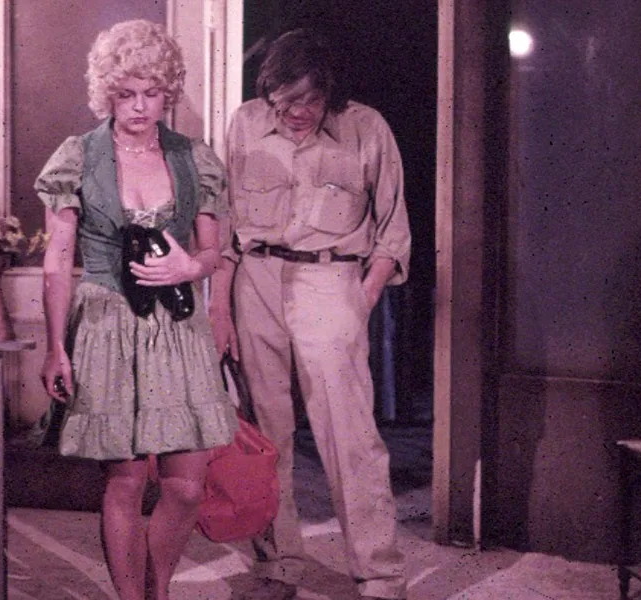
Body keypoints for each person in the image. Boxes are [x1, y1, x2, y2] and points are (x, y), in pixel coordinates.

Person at [35, 19, 237, 600]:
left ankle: (158, 587)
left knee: (185, 487)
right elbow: (57, 261)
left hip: (177, 324)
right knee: (124, 483)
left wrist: (190, 268)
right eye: (126, 94)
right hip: (107, 323)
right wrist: (55, 346)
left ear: (167, 91)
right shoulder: (78, 157)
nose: (140, 106)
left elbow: (214, 252)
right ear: (108, 93)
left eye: (152, 92)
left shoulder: (194, 158)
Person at [209, 28, 411, 600]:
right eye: (284, 101)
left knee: (351, 437)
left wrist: (360, 299)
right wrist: (219, 308)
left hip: (331, 280)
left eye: (309, 100)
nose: (296, 113)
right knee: (265, 435)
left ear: (330, 93)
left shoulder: (367, 128)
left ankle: (379, 573)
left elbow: (393, 231)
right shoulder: (245, 123)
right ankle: (279, 565)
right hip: (256, 281)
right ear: (268, 91)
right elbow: (224, 226)